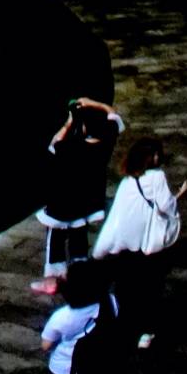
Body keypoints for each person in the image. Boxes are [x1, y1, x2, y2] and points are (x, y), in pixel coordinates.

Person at [93, 127, 187, 348]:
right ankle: (145, 333)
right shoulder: (157, 177)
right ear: (152, 157)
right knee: (150, 289)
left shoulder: (127, 183)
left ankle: (125, 328)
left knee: (127, 288)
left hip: (125, 246)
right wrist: (180, 195)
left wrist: (101, 249)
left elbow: (117, 216)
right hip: (148, 247)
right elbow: (165, 205)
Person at [39, 92, 122, 267]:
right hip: (86, 202)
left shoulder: (70, 147)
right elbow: (114, 116)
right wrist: (93, 103)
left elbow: (54, 143)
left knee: (56, 240)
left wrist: (69, 123)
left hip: (63, 205)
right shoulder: (106, 144)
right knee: (79, 238)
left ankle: (54, 277)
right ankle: (80, 272)